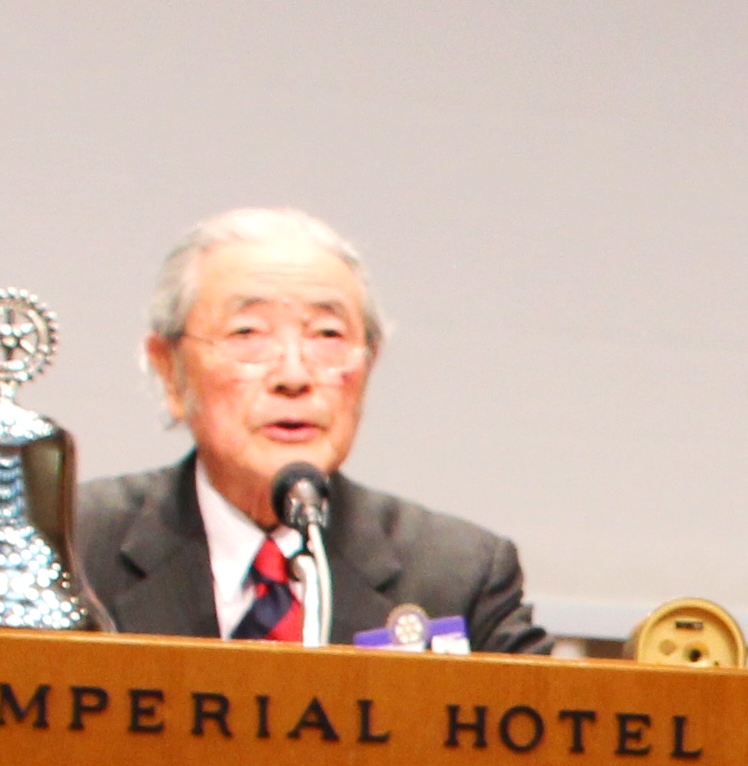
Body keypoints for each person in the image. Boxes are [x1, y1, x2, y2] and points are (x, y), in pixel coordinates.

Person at [75, 207, 546, 655]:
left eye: (327, 335)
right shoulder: (74, 548)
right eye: (247, 333)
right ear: (170, 370)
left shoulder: (459, 576)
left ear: (368, 364)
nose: (294, 375)